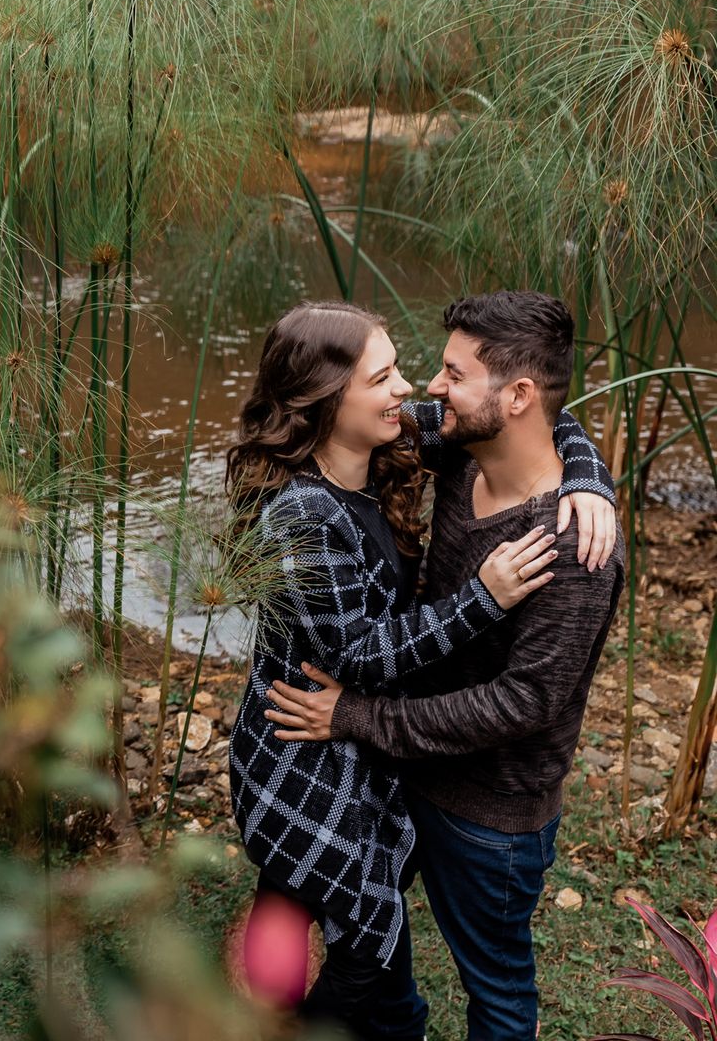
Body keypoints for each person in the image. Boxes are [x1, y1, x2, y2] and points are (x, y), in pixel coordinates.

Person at [223, 300, 616, 1040]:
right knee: (357, 942)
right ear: (328, 398)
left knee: (410, 954)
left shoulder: (399, 448)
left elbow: (536, 413)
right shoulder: (322, 503)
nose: (416, 388)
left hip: (424, 775)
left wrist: (590, 478)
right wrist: (481, 600)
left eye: (433, 371)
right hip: (320, 752)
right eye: (386, 377)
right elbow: (355, 655)